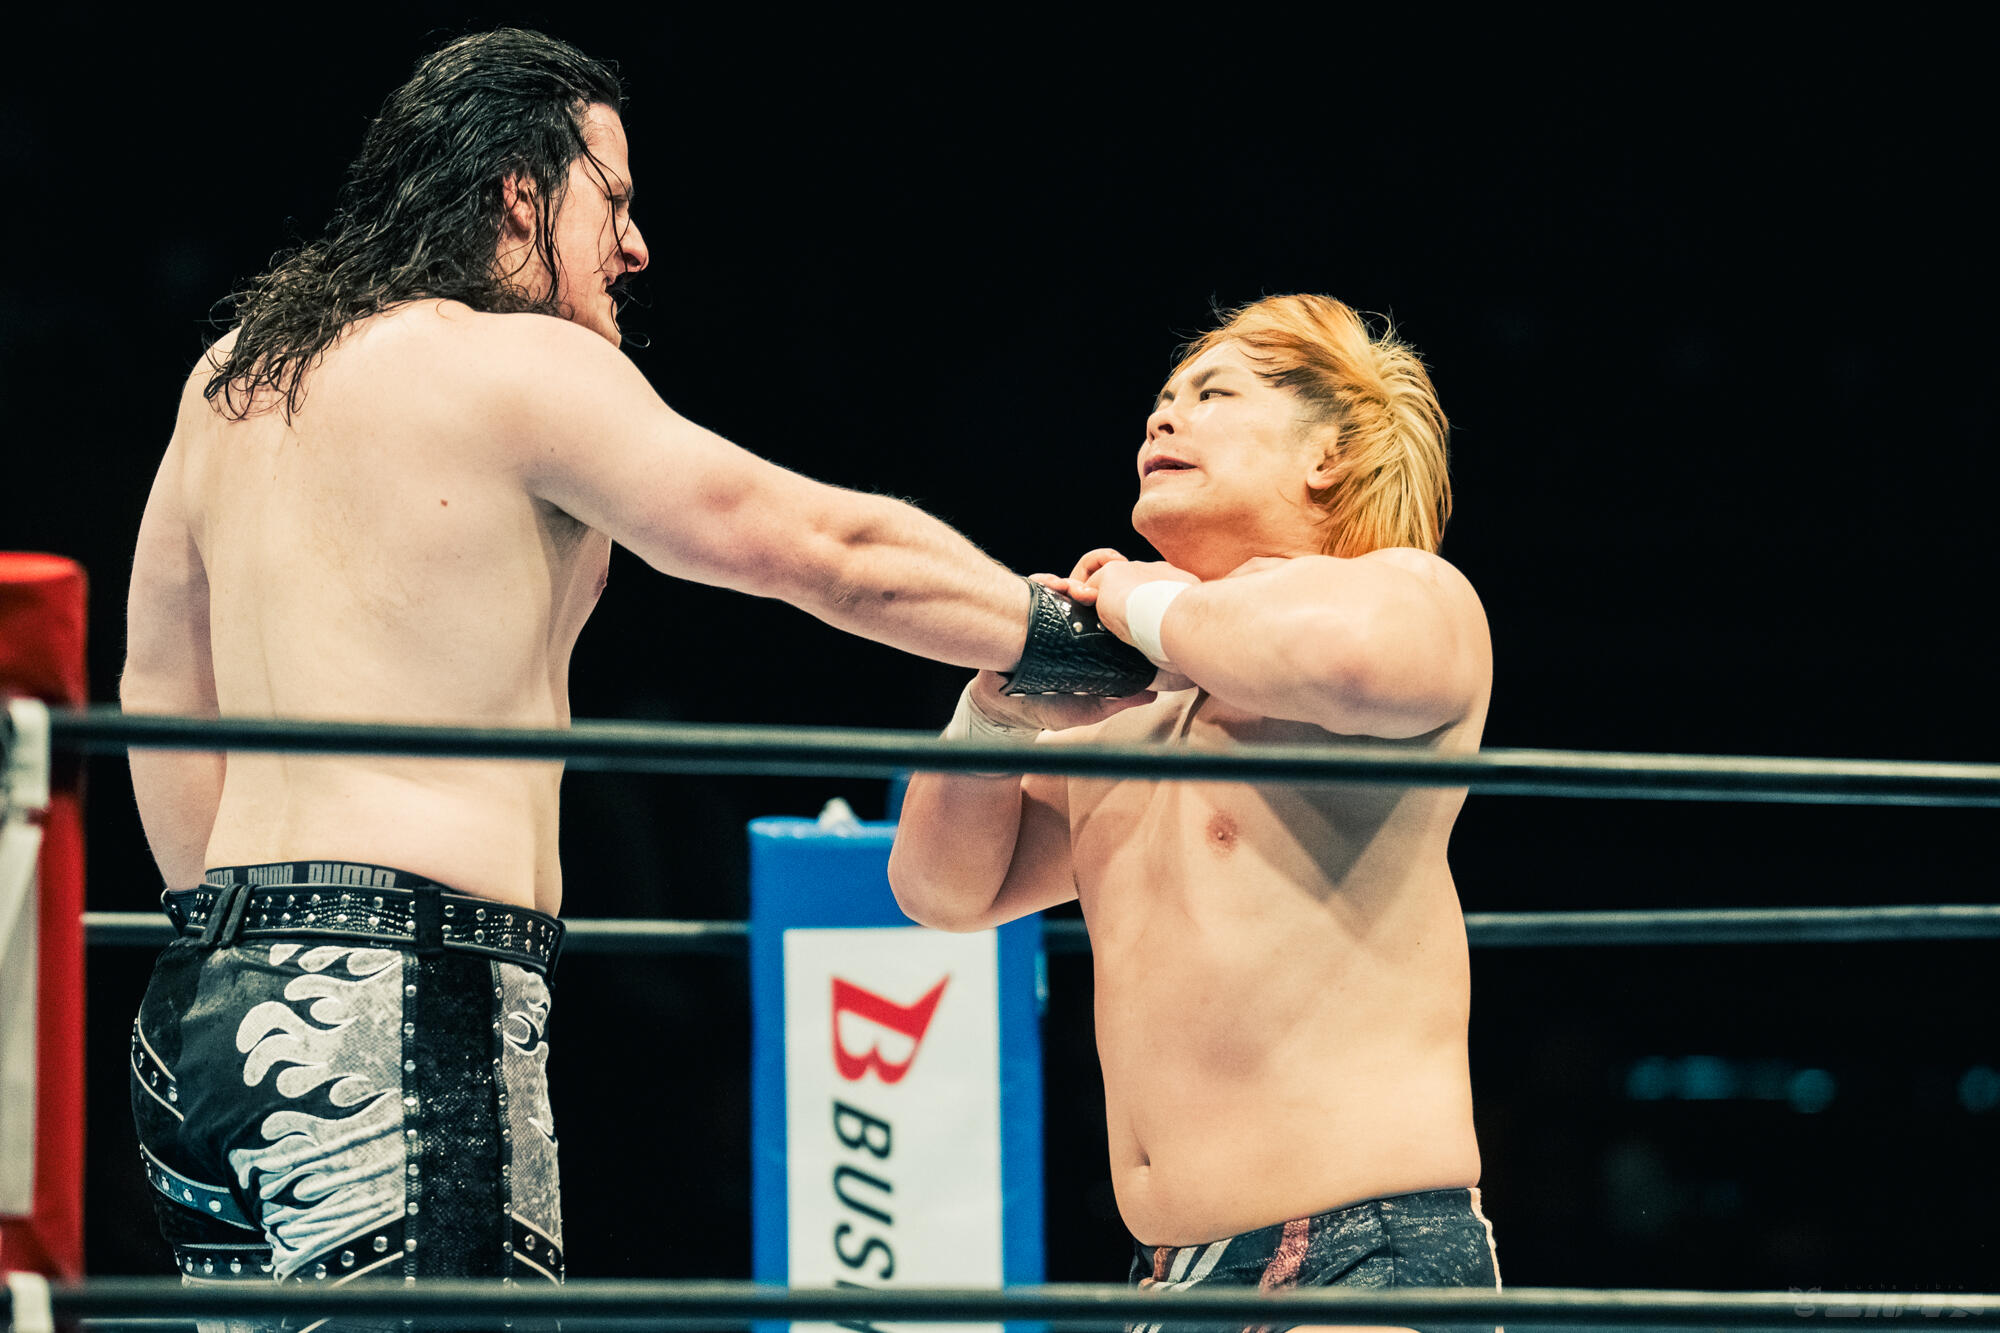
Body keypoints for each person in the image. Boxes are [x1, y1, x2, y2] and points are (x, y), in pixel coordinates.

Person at [117, 28, 1142, 1321]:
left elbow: (161, 686)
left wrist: (246, 941)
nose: (637, 245)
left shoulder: (234, 375)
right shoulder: (517, 363)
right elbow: (814, 547)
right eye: (613, 198)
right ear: (518, 195)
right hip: (403, 992)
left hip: (204, 1016)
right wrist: (1064, 636)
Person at [889, 293, 1498, 1333]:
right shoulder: (1130, 718)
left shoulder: (1413, 594)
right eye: (1165, 398)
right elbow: (942, 891)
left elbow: (1341, 661)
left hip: (1366, 1256)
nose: (1162, 416)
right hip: (1169, 1279)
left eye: (1213, 395)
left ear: (1327, 454)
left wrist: (1134, 600)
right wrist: (999, 704)